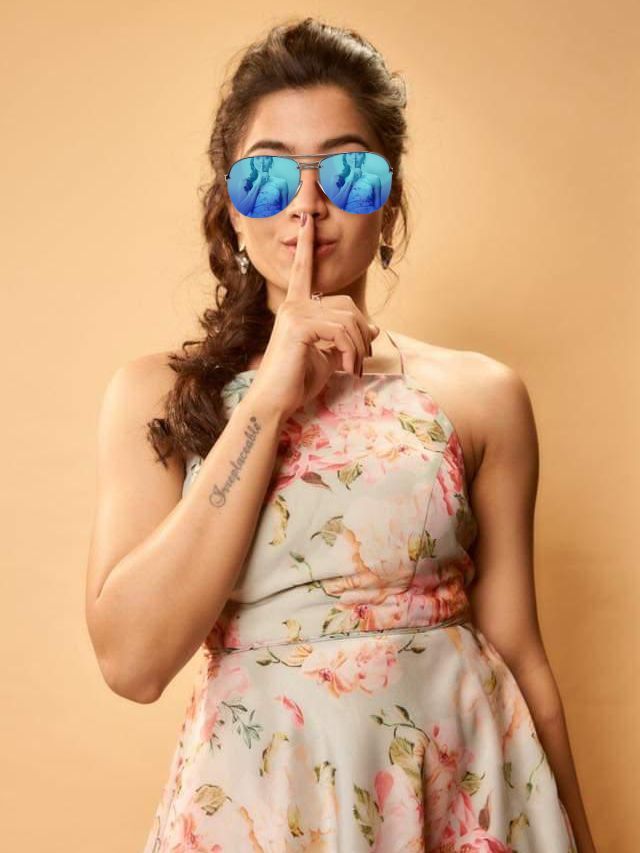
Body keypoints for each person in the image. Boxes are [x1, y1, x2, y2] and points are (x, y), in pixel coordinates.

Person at [85, 16, 596, 853]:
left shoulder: (481, 396)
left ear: (389, 202)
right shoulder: (161, 396)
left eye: (348, 171)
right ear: (230, 209)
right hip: (263, 804)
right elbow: (132, 662)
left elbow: (522, 655)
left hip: (461, 793)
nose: (308, 204)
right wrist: (267, 401)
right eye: (268, 175)